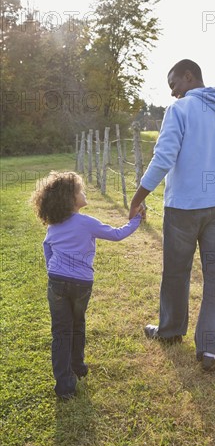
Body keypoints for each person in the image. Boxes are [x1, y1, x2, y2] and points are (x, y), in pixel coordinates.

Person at [129, 59, 215, 371]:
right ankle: (210, 350)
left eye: (174, 85)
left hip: (184, 206)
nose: (173, 93)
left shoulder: (180, 111)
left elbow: (164, 156)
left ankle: (169, 331)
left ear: (188, 76)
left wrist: (138, 198)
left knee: (177, 271)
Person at [31, 171, 144, 399]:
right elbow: (116, 234)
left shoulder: (53, 227)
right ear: (71, 199)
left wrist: (52, 271)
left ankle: (64, 386)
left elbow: (47, 250)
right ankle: (78, 366)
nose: (84, 193)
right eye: (80, 191)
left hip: (57, 282)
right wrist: (137, 220)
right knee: (77, 323)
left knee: (60, 332)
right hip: (82, 284)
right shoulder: (87, 222)